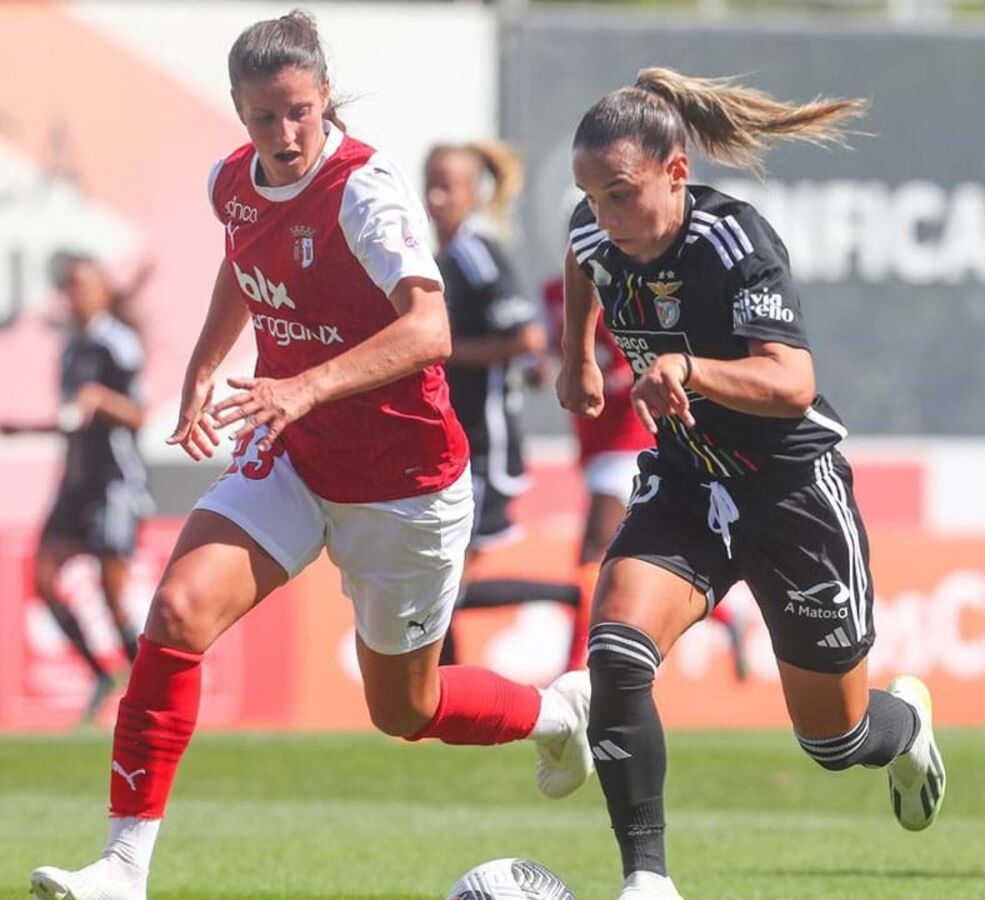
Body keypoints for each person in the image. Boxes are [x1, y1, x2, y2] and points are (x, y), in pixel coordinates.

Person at [29, 12, 590, 900]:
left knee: (405, 710)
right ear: (238, 113)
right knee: (175, 612)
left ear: (324, 96)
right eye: (263, 117)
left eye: (298, 111)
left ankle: (555, 709)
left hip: (405, 484)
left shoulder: (364, 191)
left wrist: (300, 385)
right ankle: (121, 870)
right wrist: (206, 366)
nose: (284, 135)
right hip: (294, 456)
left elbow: (430, 328)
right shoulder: (231, 183)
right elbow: (242, 263)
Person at [556, 69, 947, 900]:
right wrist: (575, 362)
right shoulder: (596, 233)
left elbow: (792, 382)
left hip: (791, 491)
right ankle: (647, 882)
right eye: (589, 196)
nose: (603, 217)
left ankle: (906, 725)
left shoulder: (736, 243)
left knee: (835, 743)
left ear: (676, 172)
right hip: (689, 482)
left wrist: (687, 368)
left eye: (620, 195)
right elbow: (579, 261)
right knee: (618, 651)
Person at [423, 141, 584, 668]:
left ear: (472, 194)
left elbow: (528, 337)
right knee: (439, 588)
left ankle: (567, 597)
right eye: (430, 181)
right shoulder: (443, 258)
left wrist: (437, 351)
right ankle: (441, 707)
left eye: (447, 184)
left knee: (444, 588)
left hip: (483, 444)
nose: (434, 195)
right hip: (454, 443)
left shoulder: (475, 254)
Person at [543, 276, 749, 677]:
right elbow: (553, 351)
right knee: (607, 560)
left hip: (629, 441)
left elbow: (641, 361)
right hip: (594, 443)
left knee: (590, 556)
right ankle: (726, 617)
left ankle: (573, 673)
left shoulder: (625, 290)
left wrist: (604, 379)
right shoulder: (555, 293)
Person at [1, 254, 153, 725]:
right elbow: (73, 422)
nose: (75, 294)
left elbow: (138, 415)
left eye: (83, 285)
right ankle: (100, 675)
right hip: (76, 483)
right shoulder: (70, 348)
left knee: (111, 593)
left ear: (103, 291)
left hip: (114, 482)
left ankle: (145, 692)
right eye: (68, 286)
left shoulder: (118, 345)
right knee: (45, 582)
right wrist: (26, 430)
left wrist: (101, 399)